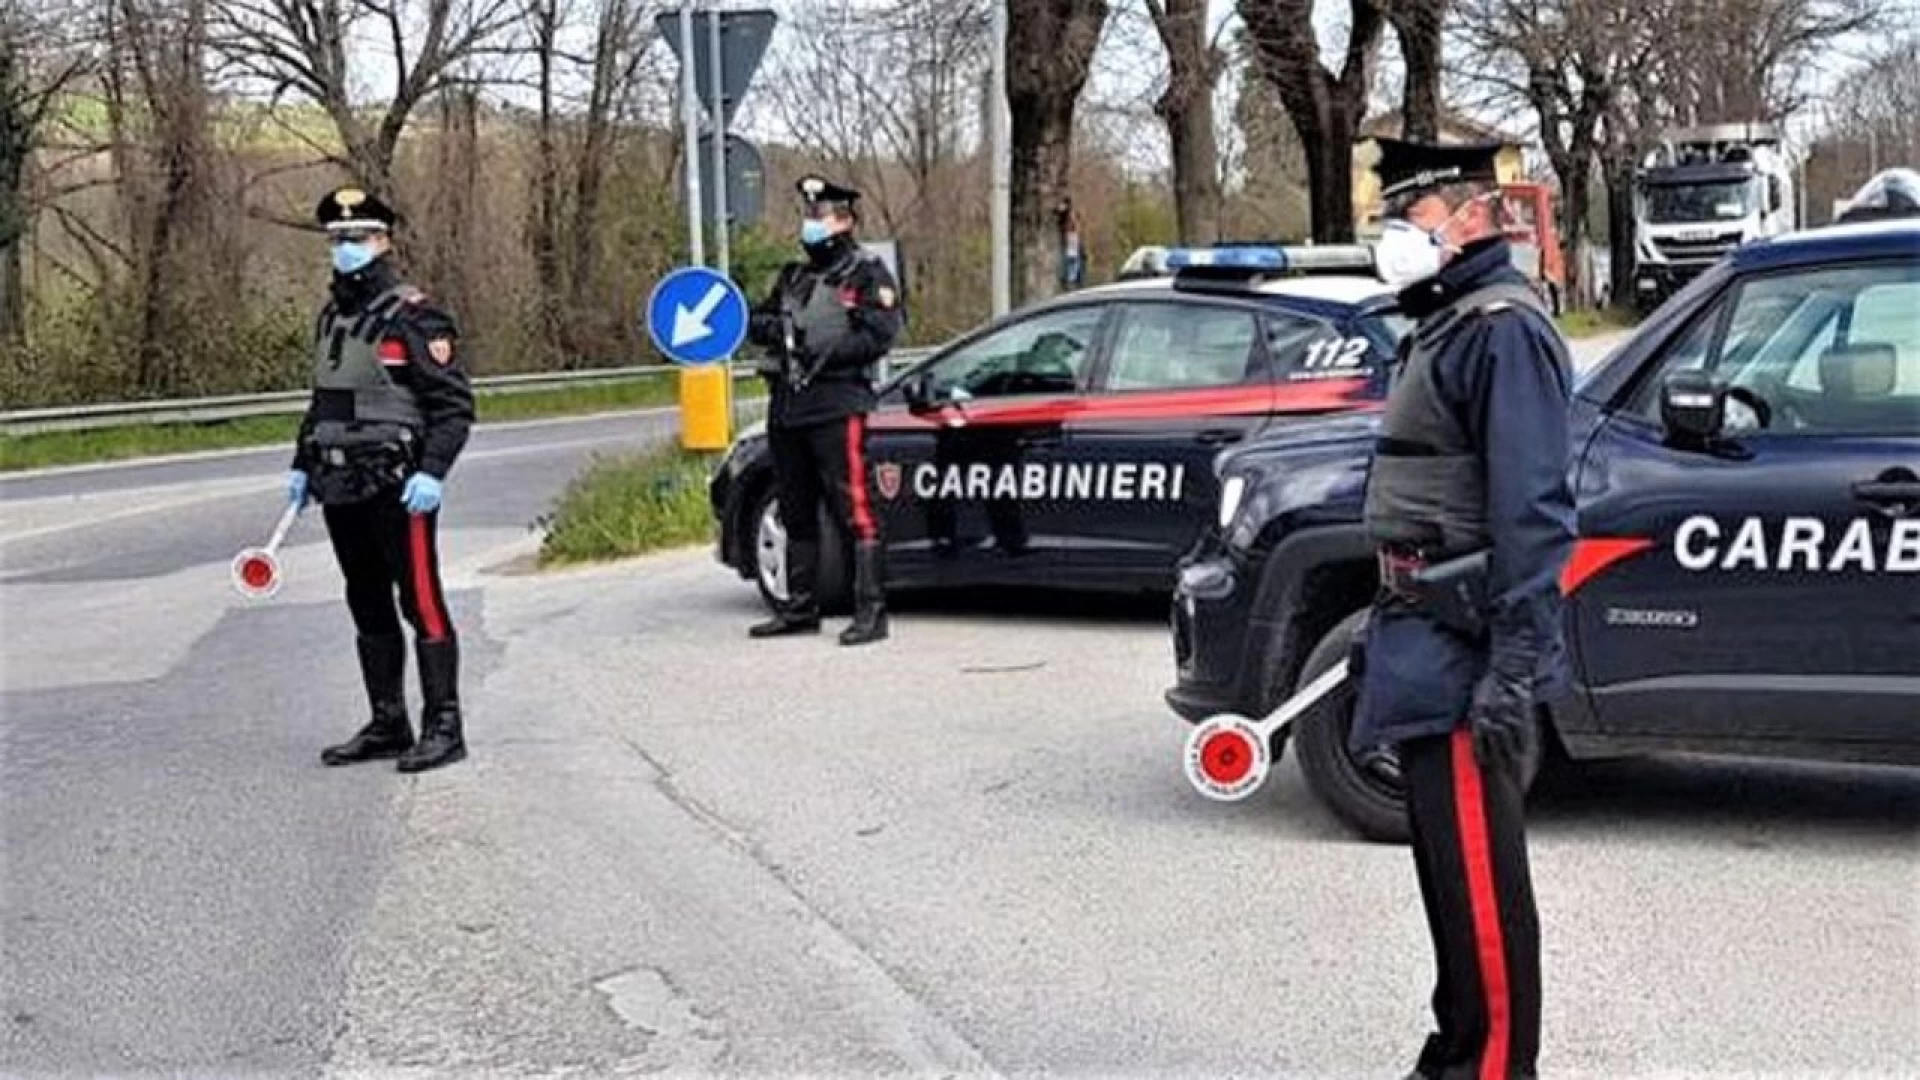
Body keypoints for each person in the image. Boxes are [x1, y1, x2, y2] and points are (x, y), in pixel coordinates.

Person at [1352, 139, 1577, 1080]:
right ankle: (1454, 1054)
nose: (1396, 235)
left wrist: (1512, 670)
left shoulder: (1501, 328)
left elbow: (1533, 510)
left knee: (1483, 898)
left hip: (1469, 648)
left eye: (1413, 216)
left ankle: (1492, 1069)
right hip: (1423, 632)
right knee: (1449, 880)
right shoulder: (1445, 322)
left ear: (1472, 213)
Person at [287, 186, 475, 773]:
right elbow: (325, 402)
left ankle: (444, 726)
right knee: (365, 601)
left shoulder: (416, 316)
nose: (346, 248)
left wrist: (433, 473)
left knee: (421, 602)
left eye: (358, 238)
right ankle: (388, 721)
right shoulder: (333, 318)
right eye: (337, 240)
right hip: (341, 483)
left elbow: (453, 407)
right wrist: (302, 465)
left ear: (384, 241)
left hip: (400, 486)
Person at [745, 174, 904, 646]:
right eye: (808, 214)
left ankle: (871, 612)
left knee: (854, 507)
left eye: (822, 214)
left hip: (837, 404)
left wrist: (823, 349)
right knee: (795, 509)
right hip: (789, 407)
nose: (812, 223)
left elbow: (879, 335)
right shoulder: (794, 276)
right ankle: (800, 607)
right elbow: (761, 318)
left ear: (846, 220)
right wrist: (772, 330)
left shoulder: (866, 273)